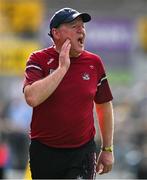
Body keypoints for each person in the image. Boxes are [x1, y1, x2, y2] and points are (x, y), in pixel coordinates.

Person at [23, 7, 114, 179]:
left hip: (82, 152)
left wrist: (107, 148)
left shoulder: (94, 62)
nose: (81, 30)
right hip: (44, 150)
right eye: (74, 25)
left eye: (82, 26)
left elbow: (104, 105)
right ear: (56, 33)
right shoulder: (38, 59)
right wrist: (62, 68)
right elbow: (32, 98)